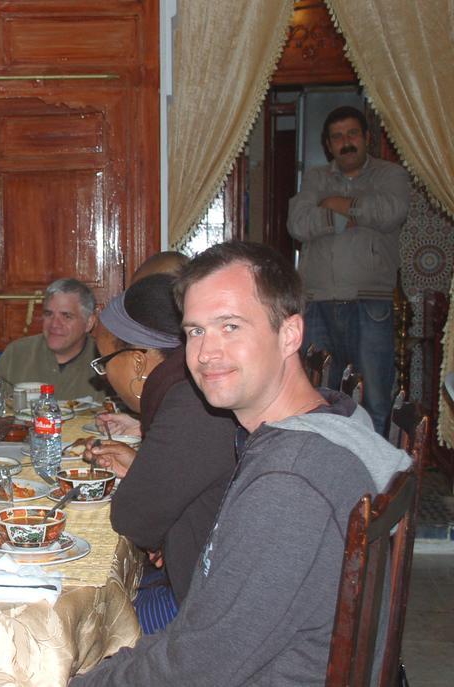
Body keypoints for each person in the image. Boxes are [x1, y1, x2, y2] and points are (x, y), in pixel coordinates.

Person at [71, 241, 411, 686]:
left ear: (290, 334)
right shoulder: (336, 418)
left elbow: (197, 667)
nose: (207, 352)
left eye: (230, 326)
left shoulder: (290, 482)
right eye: (195, 331)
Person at [84, 273, 237, 634]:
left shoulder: (192, 404)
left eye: (105, 360)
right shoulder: (190, 390)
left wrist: (164, 531)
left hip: (204, 611)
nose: (105, 375)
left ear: (138, 361)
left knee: (89, 635)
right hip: (206, 576)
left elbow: (133, 518)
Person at [287, 105, 411, 434]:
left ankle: (375, 475)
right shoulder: (315, 177)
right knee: (318, 393)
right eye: (338, 137)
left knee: (373, 396)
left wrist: (335, 203)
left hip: (370, 303)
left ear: (367, 138)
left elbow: (390, 213)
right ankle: (329, 468)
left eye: (353, 134)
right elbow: (298, 223)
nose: (347, 142)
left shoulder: (391, 176)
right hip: (318, 303)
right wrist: (349, 215)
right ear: (328, 145)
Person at [0, 278, 104, 401]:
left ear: (89, 323)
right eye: (49, 314)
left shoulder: (106, 361)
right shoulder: (17, 354)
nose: (54, 324)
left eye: (66, 316)